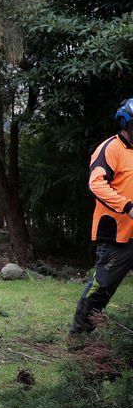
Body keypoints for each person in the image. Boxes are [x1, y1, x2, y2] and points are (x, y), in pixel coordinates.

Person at [70, 98, 133, 334]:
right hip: (115, 235)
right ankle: (79, 337)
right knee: (101, 288)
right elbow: (97, 184)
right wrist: (127, 206)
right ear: (126, 124)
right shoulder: (110, 148)